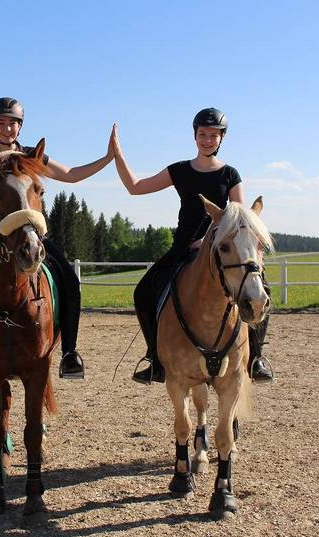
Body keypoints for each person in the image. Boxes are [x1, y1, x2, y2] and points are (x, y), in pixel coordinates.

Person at [0, 97, 114, 380]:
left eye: (12, 123)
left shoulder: (33, 156)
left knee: (69, 280)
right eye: (1, 123)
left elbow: (71, 175)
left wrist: (107, 158)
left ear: (20, 127)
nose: (7, 129)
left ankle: (69, 352)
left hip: (30, 234)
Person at [111, 108, 273, 384]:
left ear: (222, 138)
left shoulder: (230, 175)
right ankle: (155, 357)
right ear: (194, 136)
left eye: (213, 135)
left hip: (221, 250)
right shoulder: (180, 170)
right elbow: (135, 187)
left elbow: (239, 219)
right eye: (202, 134)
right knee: (143, 292)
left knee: (261, 290)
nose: (207, 140)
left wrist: (210, 239)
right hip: (183, 248)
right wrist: (118, 155)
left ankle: (255, 357)